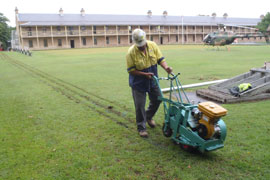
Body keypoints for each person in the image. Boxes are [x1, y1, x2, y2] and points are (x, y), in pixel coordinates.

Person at [126, 29, 173, 138]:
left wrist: (166, 67)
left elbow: (160, 59)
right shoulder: (131, 53)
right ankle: (141, 128)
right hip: (138, 82)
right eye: (139, 45)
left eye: (142, 44)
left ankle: (148, 116)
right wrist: (144, 74)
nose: (141, 46)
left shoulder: (153, 45)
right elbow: (131, 70)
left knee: (158, 99)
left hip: (152, 80)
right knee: (139, 105)